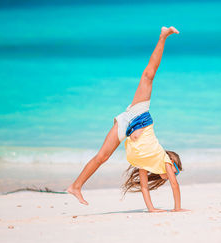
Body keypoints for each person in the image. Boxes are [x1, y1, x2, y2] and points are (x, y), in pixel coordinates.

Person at [67, 26, 189, 213]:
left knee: (102, 157)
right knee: (148, 75)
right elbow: (175, 186)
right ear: (172, 165)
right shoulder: (163, 160)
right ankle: (163, 35)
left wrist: (152, 209)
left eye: (175, 173)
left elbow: (144, 187)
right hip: (140, 117)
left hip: (128, 126)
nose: (174, 175)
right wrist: (178, 209)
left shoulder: (146, 164)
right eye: (175, 171)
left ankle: (75, 186)